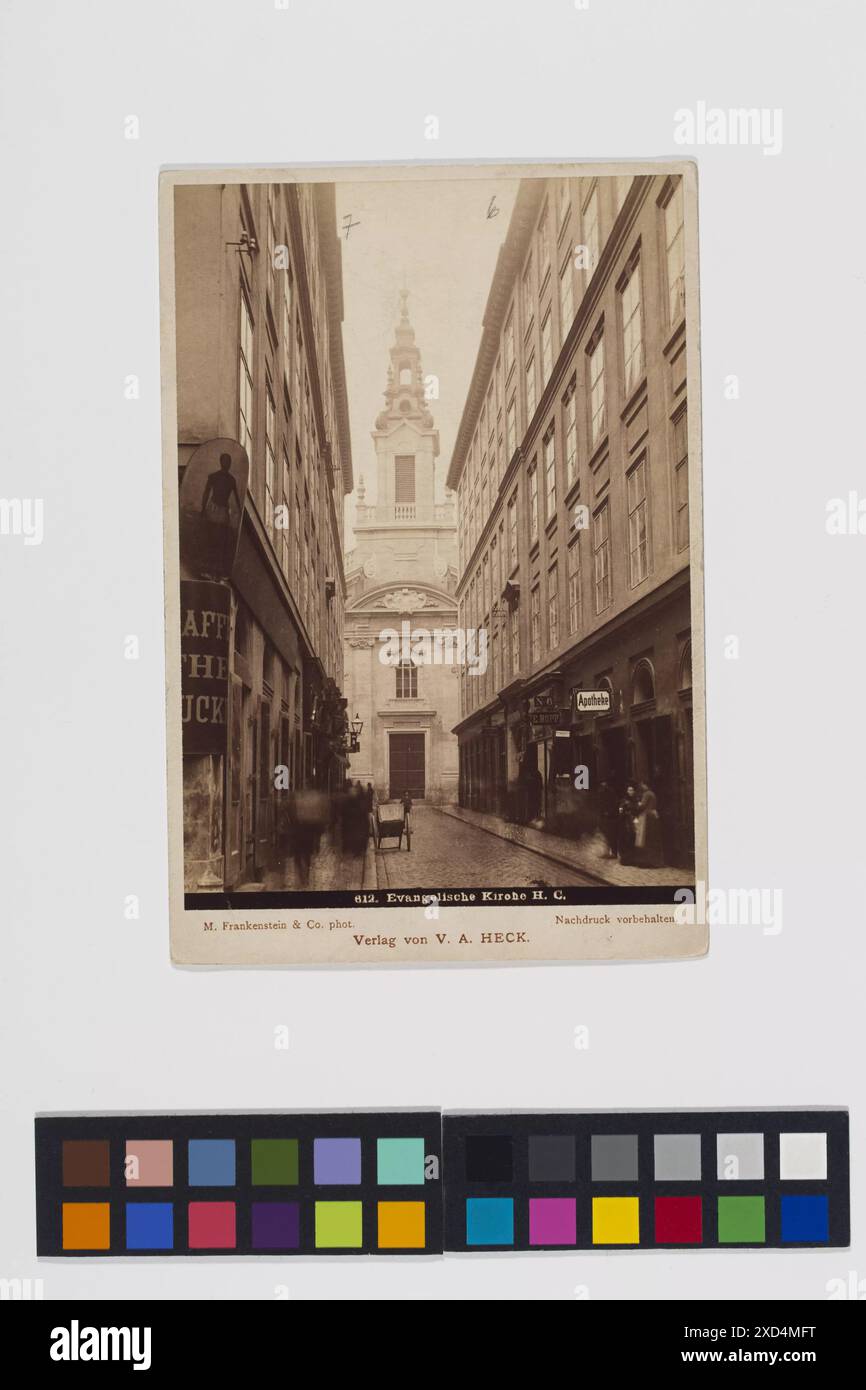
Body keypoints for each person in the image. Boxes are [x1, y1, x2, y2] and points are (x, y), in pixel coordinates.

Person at [200, 453, 241, 573]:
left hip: (223, 511)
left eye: (229, 461)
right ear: (221, 462)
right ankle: (207, 567)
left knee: (221, 540)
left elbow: (237, 499)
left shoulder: (231, 480)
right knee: (210, 538)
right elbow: (206, 493)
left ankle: (217, 568)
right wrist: (203, 508)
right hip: (213, 508)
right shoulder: (213, 476)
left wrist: (239, 513)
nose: (227, 464)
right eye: (225, 461)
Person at [634, 780, 664, 867]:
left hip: (647, 817)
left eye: (643, 785)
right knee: (652, 839)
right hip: (653, 816)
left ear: (645, 785)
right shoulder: (653, 794)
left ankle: (647, 862)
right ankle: (655, 861)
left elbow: (642, 806)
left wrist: (638, 805)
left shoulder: (646, 794)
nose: (642, 786)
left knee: (645, 839)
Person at [617, 783, 639, 864]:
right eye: (629, 790)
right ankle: (625, 859)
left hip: (634, 821)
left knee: (633, 839)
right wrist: (624, 813)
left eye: (632, 790)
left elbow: (638, 810)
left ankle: (633, 859)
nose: (631, 792)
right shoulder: (624, 800)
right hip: (626, 822)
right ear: (627, 791)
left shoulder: (636, 800)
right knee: (626, 839)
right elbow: (620, 810)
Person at [598, 780, 620, 858]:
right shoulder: (602, 792)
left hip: (611, 817)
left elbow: (614, 804)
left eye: (604, 783)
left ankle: (614, 853)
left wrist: (609, 812)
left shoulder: (611, 792)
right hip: (604, 817)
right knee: (606, 835)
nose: (603, 785)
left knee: (611, 836)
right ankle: (606, 852)